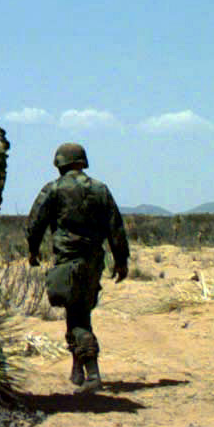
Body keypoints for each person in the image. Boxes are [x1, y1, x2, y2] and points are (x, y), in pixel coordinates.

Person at [27, 142, 129, 392]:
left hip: (68, 260)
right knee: (79, 310)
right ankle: (78, 370)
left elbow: (35, 223)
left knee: (77, 316)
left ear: (59, 163)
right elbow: (115, 227)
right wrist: (121, 260)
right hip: (94, 261)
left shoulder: (54, 189)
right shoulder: (100, 189)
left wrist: (33, 251)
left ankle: (92, 374)